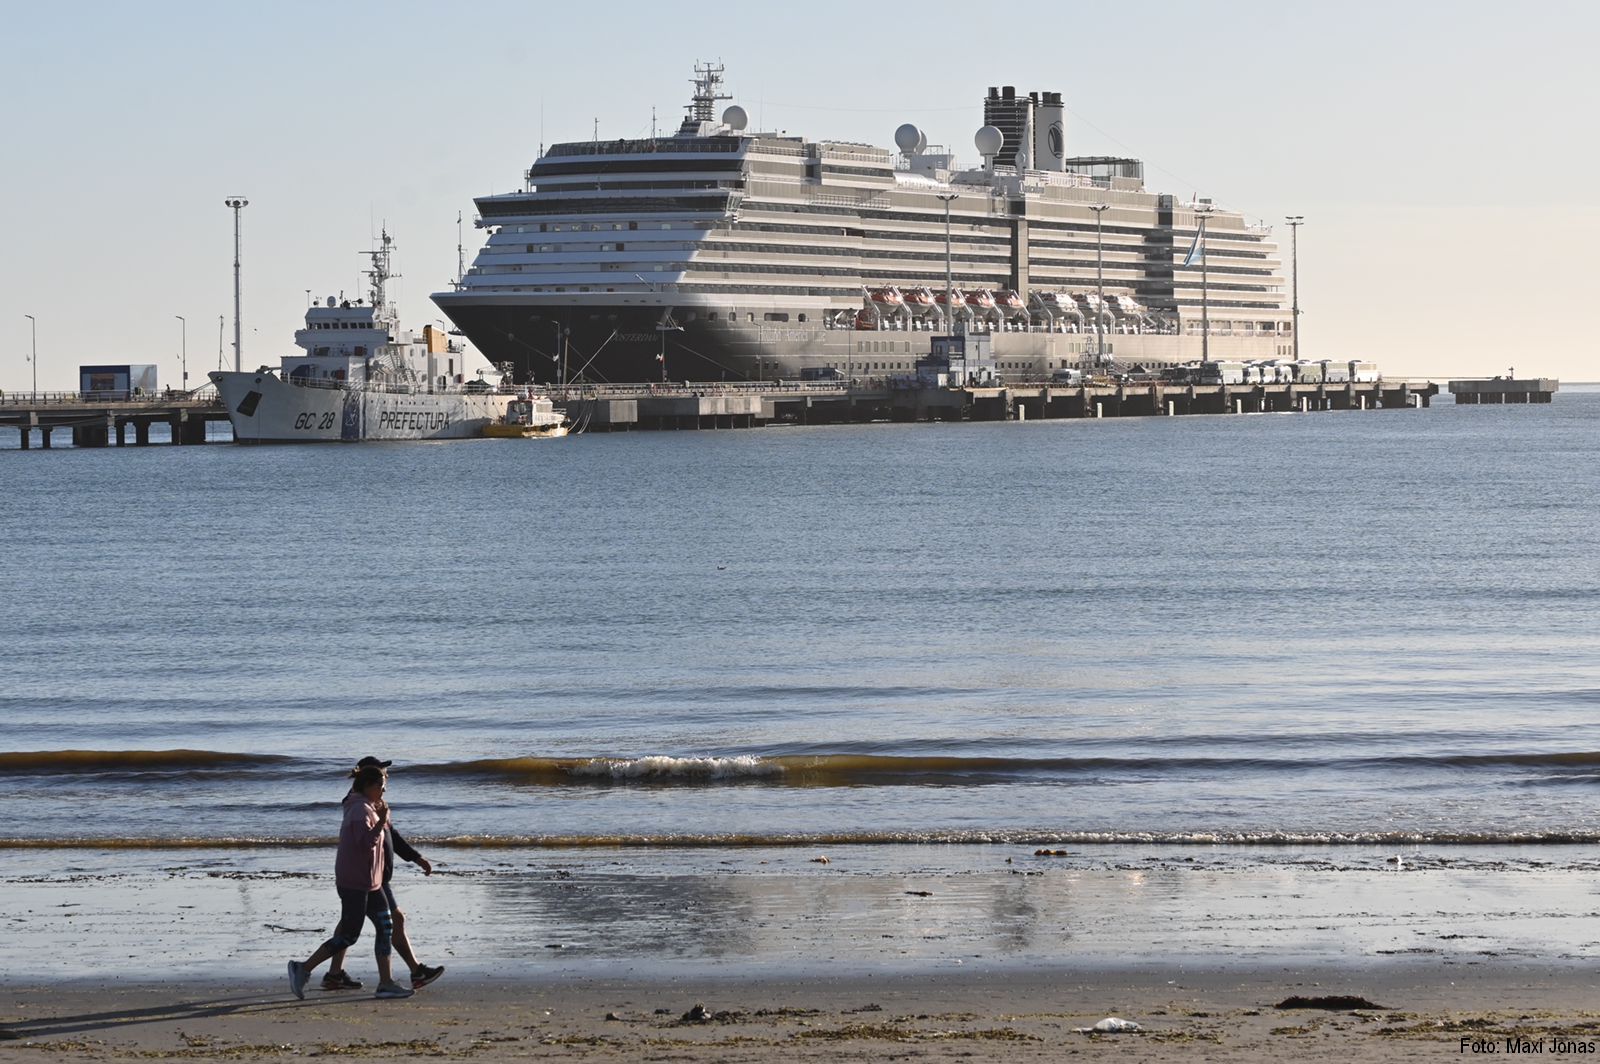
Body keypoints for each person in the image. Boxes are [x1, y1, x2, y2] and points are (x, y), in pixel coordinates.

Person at [286, 764, 413, 1000]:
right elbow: (365, 844)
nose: (384, 792)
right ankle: (302, 968)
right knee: (349, 935)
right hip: (354, 882)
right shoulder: (358, 810)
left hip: (371, 882)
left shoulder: (368, 807)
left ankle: (386, 983)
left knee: (385, 927)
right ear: (368, 786)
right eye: (381, 787)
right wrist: (379, 822)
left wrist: (382, 820)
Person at [323, 757, 444, 992]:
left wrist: (415, 858)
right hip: (369, 876)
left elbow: (392, 836)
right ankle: (411, 973)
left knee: (356, 924)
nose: (386, 778)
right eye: (382, 774)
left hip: (376, 876)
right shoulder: (360, 804)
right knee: (387, 921)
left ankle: (335, 974)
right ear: (369, 778)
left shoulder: (374, 802)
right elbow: (367, 839)